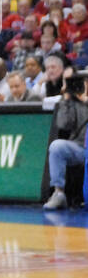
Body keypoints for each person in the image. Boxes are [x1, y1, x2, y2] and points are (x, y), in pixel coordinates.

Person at [43, 70, 88, 209]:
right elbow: (64, 124)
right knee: (57, 147)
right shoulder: (74, 102)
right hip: (81, 147)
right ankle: (59, 193)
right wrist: (67, 100)